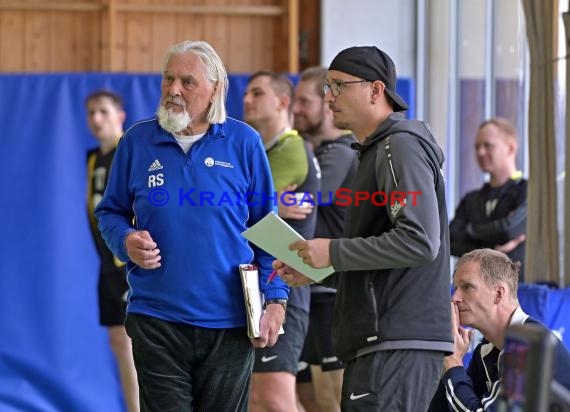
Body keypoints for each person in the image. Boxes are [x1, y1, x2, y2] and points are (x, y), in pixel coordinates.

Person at [95, 40, 288, 412]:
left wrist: (276, 300)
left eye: (187, 81)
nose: (173, 90)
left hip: (230, 321)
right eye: (168, 79)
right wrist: (125, 240)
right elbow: (110, 212)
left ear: (215, 89)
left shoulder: (244, 142)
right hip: (156, 318)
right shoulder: (137, 141)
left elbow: (269, 228)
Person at [273, 45, 453, 411]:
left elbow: (420, 241)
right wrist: (319, 269)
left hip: (397, 341)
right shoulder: (372, 152)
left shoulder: (400, 147)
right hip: (380, 341)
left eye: (339, 86)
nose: (328, 97)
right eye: (327, 87)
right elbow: (381, 262)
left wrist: (334, 252)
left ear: (376, 90)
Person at [243, 71, 321, 412]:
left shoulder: (292, 148)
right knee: (258, 399)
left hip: (285, 285)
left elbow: (243, 209)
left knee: (274, 397)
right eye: (246, 93)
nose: (247, 100)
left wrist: (262, 202)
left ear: (282, 102)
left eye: (257, 93)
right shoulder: (260, 150)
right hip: (259, 284)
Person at [428, 248, 570, 411]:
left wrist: (453, 361)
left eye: (466, 287)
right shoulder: (488, 350)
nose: (454, 298)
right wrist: (449, 363)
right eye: (456, 288)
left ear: (498, 294)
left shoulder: (526, 348)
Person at [292, 66, 358, 412]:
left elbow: (310, 199)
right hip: (307, 289)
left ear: (326, 104)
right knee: (306, 395)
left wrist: (269, 200)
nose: (296, 109)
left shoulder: (341, 151)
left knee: (331, 395)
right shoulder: (312, 154)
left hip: (332, 292)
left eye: (304, 101)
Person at [85, 90, 140, 412]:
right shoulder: (93, 159)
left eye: (103, 111)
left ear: (120, 115)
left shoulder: (130, 152)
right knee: (118, 343)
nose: (96, 119)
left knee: (132, 343)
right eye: (91, 112)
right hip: (107, 267)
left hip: (128, 267)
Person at [449, 118, 527, 281]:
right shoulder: (471, 200)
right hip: (475, 290)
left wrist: (470, 230)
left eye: (488, 145)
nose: (480, 152)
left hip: (518, 290)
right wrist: (493, 249)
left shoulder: (527, 191)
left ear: (510, 148)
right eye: (477, 147)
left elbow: (508, 230)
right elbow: (451, 241)